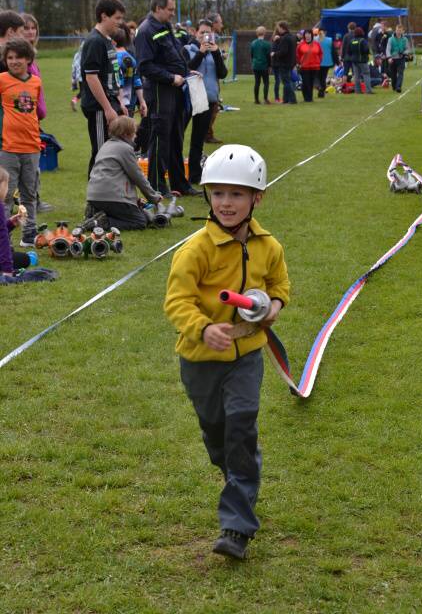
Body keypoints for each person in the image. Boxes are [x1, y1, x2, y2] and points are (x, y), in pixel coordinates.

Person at [164, 144, 290, 560]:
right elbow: (177, 301)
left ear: (257, 197)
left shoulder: (269, 246)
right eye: (218, 193)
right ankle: (238, 473)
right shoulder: (195, 251)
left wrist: (273, 306)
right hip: (200, 360)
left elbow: (278, 287)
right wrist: (204, 328)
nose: (226, 203)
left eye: (237, 194)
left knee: (241, 425)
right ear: (208, 197)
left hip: (246, 356)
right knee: (217, 435)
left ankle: (236, 527)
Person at [135, 0, 201, 197]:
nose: (173, 13)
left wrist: (186, 71)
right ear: (158, 8)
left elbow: (173, 54)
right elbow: (145, 66)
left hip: (176, 89)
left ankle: (180, 183)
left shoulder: (165, 27)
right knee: (160, 138)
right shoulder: (146, 31)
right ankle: (157, 184)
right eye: (170, 10)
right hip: (160, 90)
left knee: (175, 137)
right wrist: (171, 77)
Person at [0, 38, 44, 247]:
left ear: (28, 59)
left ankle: (29, 234)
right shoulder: (1, 79)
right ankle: (4, 235)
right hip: (8, 148)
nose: (14, 61)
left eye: (19, 57)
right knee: (6, 194)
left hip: (32, 147)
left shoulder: (36, 81)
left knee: (29, 193)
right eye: (10, 57)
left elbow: (38, 111)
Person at [86, 116, 162, 230]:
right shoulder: (125, 149)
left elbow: (114, 176)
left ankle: (94, 214)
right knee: (140, 221)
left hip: (93, 196)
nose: (136, 136)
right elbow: (138, 176)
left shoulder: (105, 146)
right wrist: (153, 197)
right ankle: (103, 222)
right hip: (112, 198)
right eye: (134, 133)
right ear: (126, 134)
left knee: (130, 213)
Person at [80, 0, 128, 178]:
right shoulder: (94, 41)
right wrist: (107, 108)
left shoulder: (107, 40)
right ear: (103, 16)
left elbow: (112, 74)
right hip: (99, 107)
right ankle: (94, 202)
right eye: (117, 18)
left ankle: (109, 197)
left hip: (111, 102)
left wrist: (119, 101)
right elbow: (91, 77)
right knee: (101, 153)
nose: (120, 23)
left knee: (112, 152)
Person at [184, 20, 228, 184]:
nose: (205, 36)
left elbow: (223, 73)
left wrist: (216, 53)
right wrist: (201, 52)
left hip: (208, 100)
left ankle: (195, 174)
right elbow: (187, 67)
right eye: (202, 32)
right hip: (189, 98)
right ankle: (174, 171)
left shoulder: (214, 52)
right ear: (195, 33)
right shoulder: (188, 49)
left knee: (198, 138)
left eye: (208, 32)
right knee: (178, 135)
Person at [21, 13, 54, 214]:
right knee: (27, 163)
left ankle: (33, 199)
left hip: (35, 117)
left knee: (32, 162)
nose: (31, 31)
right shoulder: (20, 59)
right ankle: (30, 202)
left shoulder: (33, 57)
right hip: (26, 117)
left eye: (33, 28)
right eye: (26, 28)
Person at [112, 28, 147, 119]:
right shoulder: (132, 59)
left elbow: (118, 82)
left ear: (113, 42)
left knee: (116, 132)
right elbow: (137, 81)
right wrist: (142, 101)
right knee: (128, 132)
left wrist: (120, 103)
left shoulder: (114, 60)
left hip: (118, 105)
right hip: (130, 104)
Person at [205, 12, 225, 143]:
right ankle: (207, 134)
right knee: (212, 106)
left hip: (213, 75)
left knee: (214, 105)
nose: (222, 25)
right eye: (220, 22)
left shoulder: (214, 37)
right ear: (214, 24)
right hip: (209, 76)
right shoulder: (209, 37)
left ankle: (208, 133)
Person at [272, 21, 297, 104]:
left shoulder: (285, 38)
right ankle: (285, 99)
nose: (278, 30)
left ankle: (292, 99)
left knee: (286, 82)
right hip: (291, 62)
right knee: (287, 81)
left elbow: (283, 51)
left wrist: (274, 54)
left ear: (282, 28)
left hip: (284, 63)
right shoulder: (292, 37)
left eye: (279, 28)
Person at [296, 29, 322, 102]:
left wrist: (319, 61)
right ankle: (306, 98)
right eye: (306, 34)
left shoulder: (316, 44)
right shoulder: (300, 45)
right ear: (304, 35)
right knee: (306, 83)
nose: (307, 35)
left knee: (311, 83)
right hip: (304, 67)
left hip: (315, 67)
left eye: (309, 34)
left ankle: (310, 98)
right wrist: (299, 63)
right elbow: (297, 55)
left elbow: (320, 53)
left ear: (312, 35)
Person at [346, 27, 373, 94]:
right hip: (363, 60)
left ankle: (357, 90)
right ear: (361, 33)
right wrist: (366, 54)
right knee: (366, 74)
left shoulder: (352, 41)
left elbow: (348, 51)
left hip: (354, 61)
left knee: (356, 76)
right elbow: (366, 50)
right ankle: (368, 90)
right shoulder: (363, 41)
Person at [386, 24, 412, 93]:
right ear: (395, 30)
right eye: (397, 30)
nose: (398, 32)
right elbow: (388, 49)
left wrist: (404, 52)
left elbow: (408, 49)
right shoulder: (390, 39)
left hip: (401, 59)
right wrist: (389, 57)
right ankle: (394, 86)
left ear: (402, 31)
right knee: (393, 74)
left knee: (400, 73)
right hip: (393, 59)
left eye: (400, 30)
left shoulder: (405, 39)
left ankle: (398, 87)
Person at [250, 26, 271, 104]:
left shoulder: (253, 43)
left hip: (255, 65)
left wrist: (253, 63)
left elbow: (251, 55)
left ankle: (256, 99)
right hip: (264, 66)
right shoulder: (267, 44)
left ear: (256, 33)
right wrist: (269, 66)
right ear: (264, 33)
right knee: (266, 82)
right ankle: (265, 99)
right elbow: (268, 57)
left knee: (257, 82)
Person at [316, 28, 338, 98]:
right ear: (325, 32)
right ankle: (322, 91)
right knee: (323, 77)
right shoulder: (329, 40)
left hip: (317, 61)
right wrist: (337, 61)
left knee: (318, 77)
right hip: (327, 62)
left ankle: (319, 87)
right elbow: (334, 52)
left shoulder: (314, 40)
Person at [270, 30, 282, 103]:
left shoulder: (274, 42)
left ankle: (278, 97)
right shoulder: (274, 43)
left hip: (277, 64)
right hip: (276, 65)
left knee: (278, 81)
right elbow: (272, 53)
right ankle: (277, 98)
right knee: (278, 81)